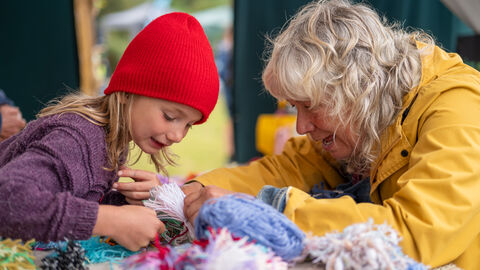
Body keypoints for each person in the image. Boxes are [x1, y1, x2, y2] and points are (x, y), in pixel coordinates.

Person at [179, 0, 480, 268]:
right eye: (295, 107)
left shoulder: (460, 111)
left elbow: (416, 234)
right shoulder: (366, 114)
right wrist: (190, 192)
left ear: (355, 88)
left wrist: (272, 209)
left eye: (309, 105)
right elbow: (289, 169)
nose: (301, 126)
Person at [0, 12, 219, 252]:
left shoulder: (110, 139)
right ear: (127, 93)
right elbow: (8, 199)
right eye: (170, 117)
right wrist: (111, 220)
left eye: (188, 125)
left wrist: (131, 203)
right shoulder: (77, 138)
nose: (177, 135)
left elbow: (75, 195)